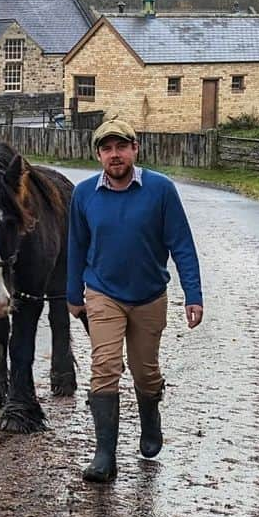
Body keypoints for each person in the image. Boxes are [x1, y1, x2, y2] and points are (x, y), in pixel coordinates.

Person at [67, 118, 203, 483]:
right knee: (105, 366)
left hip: (148, 296)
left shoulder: (160, 190)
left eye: (121, 147)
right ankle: (104, 456)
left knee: (145, 372)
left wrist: (194, 294)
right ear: (98, 154)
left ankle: (150, 417)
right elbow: (76, 246)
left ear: (135, 149)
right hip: (102, 293)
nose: (115, 155)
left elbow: (182, 246)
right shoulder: (84, 194)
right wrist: (72, 293)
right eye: (107, 148)